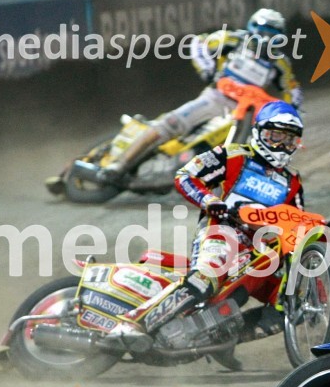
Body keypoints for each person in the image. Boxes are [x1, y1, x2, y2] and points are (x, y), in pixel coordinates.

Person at [104, 101, 305, 361]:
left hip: (258, 251)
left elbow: (298, 223)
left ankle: (221, 338)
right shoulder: (234, 154)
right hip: (222, 230)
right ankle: (132, 323)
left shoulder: (292, 182)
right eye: (275, 135)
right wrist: (210, 201)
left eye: (289, 140)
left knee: (293, 304)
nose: (280, 145)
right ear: (258, 132)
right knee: (206, 278)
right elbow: (186, 175)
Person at [46, 8, 303, 191]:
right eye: (265, 30)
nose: (268, 37)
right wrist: (207, 69)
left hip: (245, 113)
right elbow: (199, 44)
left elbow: (292, 89)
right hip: (216, 97)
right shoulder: (233, 39)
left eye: (274, 33)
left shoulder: (280, 63)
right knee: (171, 123)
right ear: (254, 28)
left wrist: (290, 113)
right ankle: (118, 165)